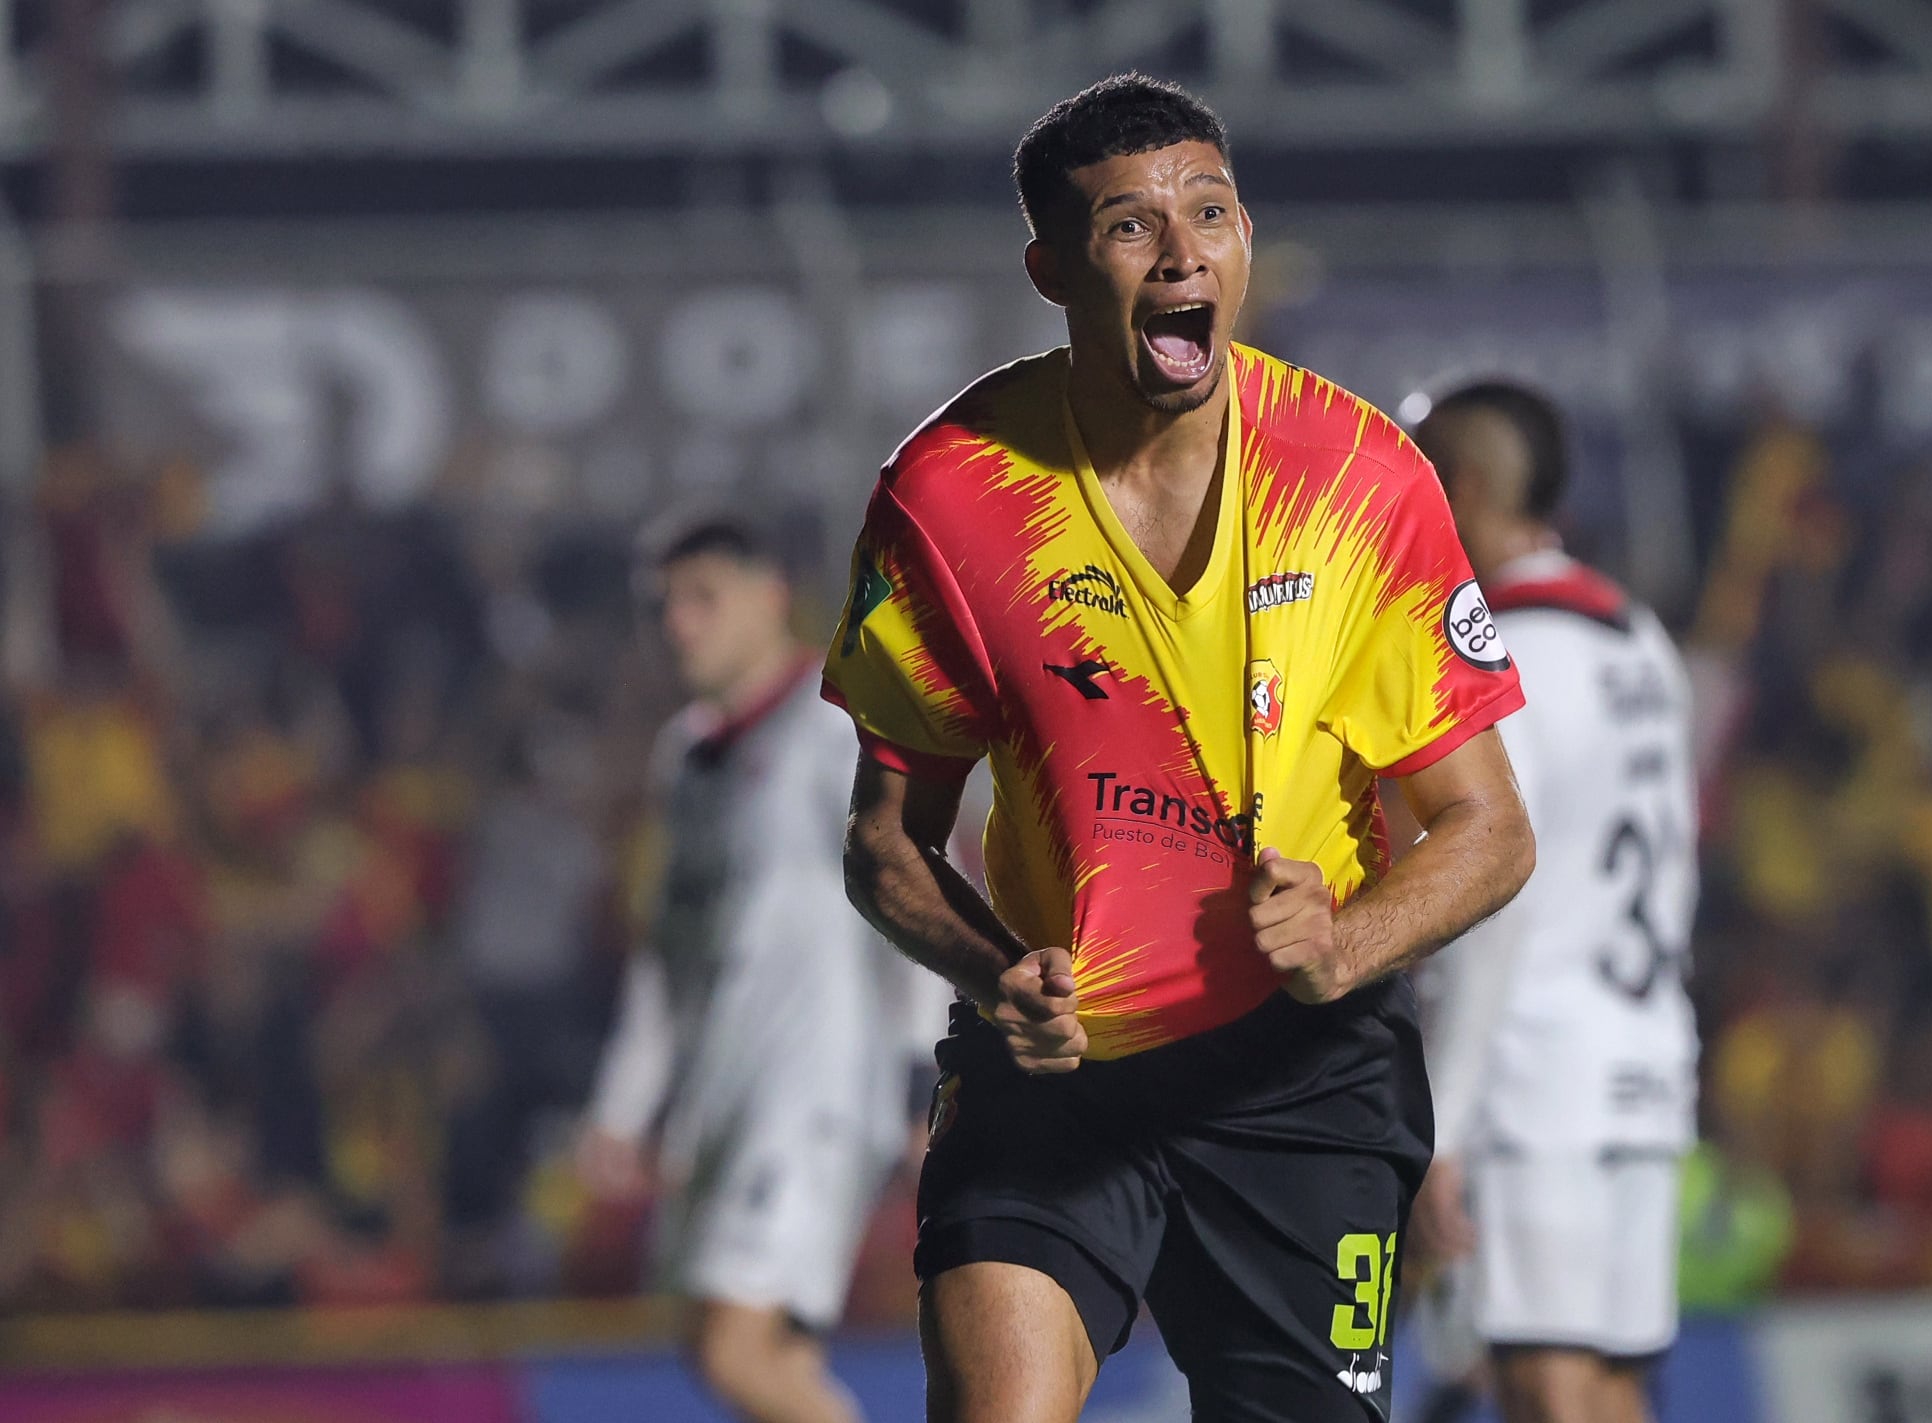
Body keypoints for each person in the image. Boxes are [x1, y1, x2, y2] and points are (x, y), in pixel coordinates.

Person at [823, 74, 1536, 1423]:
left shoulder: (1360, 477)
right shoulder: (948, 495)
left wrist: (1348, 940)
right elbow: (882, 841)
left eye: (1209, 211)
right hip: (1057, 1075)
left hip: (1301, 1076)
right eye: (1129, 227)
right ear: (1049, 267)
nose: (1183, 251)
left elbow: (1489, 829)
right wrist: (995, 972)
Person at [578, 512, 929, 1423]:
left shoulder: (838, 730)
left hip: (810, 1098)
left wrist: (928, 1077)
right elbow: (670, 952)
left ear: (771, 597)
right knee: (730, 1348)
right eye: (665, 604)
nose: (679, 624)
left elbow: (914, 897)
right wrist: (624, 1106)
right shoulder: (687, 757)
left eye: (704, 598)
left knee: (736, 1350)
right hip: (720, 1102)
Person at [1405, 382, 1700, 1423]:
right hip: (1645, 1051)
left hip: (1539, 1070)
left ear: (1467, 484)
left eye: (1422, 468)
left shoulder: (1501, 650)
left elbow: (1494, 891)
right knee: (1610, 1381)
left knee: (1546, 1386)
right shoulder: (1638, 638)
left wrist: (1439, 1120)